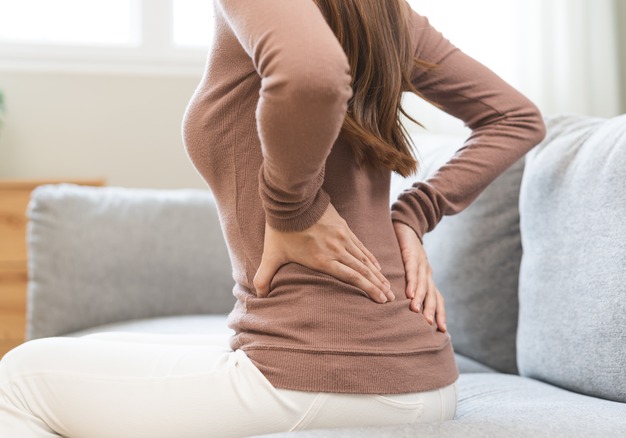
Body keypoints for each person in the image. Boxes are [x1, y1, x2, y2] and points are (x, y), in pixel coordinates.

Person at [0, 0, 545, 436]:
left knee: (20, 379)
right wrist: (413, 213)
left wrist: (294, 208)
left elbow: (312, 74)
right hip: (426, 382)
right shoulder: (383, 11)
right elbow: (516, 117)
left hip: (317, 383)